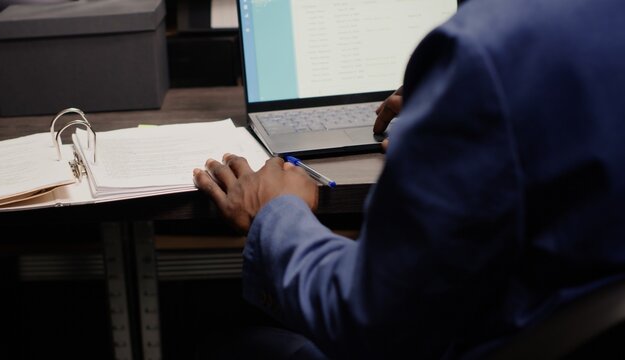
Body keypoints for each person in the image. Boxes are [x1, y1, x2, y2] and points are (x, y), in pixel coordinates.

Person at [193, 0, 625, 358]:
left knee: (225, 343)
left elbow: (366, 319)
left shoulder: (481, 51)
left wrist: (276, 213)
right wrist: (454, 123)